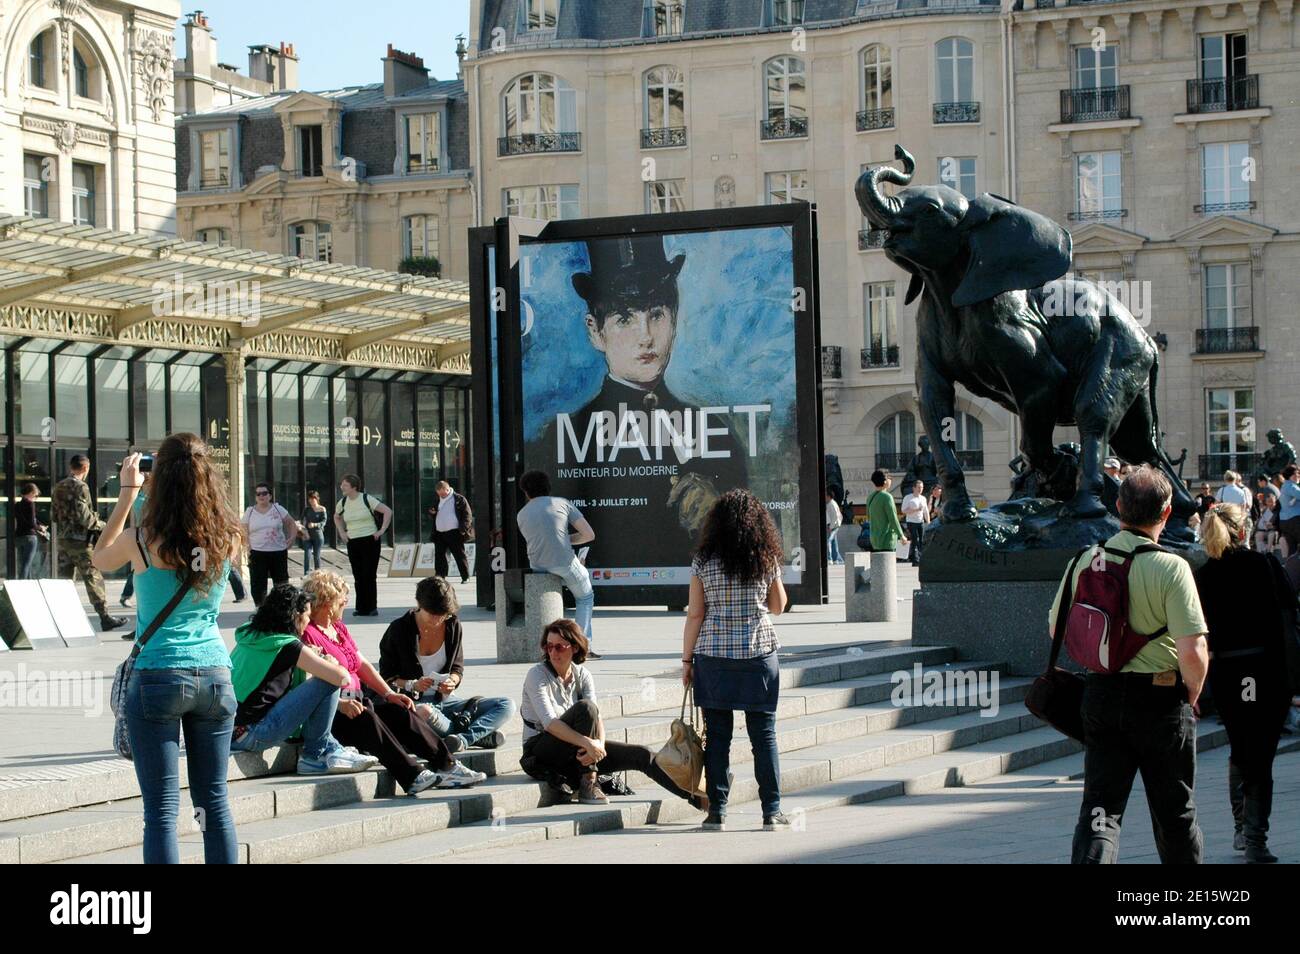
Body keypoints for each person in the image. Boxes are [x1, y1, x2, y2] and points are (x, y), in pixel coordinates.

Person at [527, 234, 749, 570]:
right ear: (595, 331)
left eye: (657, 314)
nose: (645, 336)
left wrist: (716, 509)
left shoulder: (715, 433)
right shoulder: (561, 437)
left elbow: (748, 536)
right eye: (625, 319)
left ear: (674, 320)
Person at [88, 436, 242, 863]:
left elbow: (100, 558)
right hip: (214, 674)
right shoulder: (226, 535)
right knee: (213, 804)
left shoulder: (143, 538)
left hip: (157, 674)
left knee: (160, 811)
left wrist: (128, 491)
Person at [1049, 466, 1209, 864]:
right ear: (1167, 512)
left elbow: (1057, 629)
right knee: (1175, 813)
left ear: (1118, 506)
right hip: (1161, 702)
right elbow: (1193, 650)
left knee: (1100, 813)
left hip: (1101, 697)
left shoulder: (1084, 561)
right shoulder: (1171, 567)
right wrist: (1191, 694)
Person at [300, 570, 484, 793]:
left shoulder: (338, 628)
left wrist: (389, 694)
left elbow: (363, 665)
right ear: (328, 602)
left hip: (360, 701)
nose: (346, 603)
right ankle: (412, 775)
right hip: (335, 713)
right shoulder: (307, 634)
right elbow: (306, 683)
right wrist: (340, 703)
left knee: (400, 709)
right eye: (342, 599)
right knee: (366, 718)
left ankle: (447, 766)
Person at [682, 488, 789, 831]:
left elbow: (695, 615)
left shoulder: (703, 561)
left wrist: (686, 662)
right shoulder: (765, 559)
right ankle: (771, 811)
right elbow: (778, 606)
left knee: (717, 737)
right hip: (758, 653)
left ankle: (717, 811)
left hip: (713, 656)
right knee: (764, 735)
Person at [519, 618, 706, 810]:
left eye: (559, 647)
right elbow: (550, 723)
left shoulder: (582, 675)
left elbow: (597, 717)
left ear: (575, 648)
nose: (552, 652)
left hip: (578, 748)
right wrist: (588, 743)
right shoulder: (537, 675)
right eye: (548, 646)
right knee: (585, 708)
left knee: (642, 754)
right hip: (541, 751)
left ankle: (698, 798)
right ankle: (589, 781)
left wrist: (598, 744)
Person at [1194, 504, 1293, 863]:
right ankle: (1255, 839)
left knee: (1240, 747)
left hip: (1228, 673)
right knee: (1261, 757)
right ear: (1243, 530)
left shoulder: (1204, 574)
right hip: (1264, 670)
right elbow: (1288, 618)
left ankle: (1242, 828)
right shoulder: (1264, 565)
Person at [228, 582, 380, 774]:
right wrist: (328, 661)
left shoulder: (251, 634)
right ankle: (314, 756)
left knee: (324, 677)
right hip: (256, 733)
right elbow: (341, 678)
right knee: (330, 677)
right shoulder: (288, 646)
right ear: (296, 615)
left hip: (234, 731)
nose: (309, 621)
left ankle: (332, 748)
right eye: (308, 615)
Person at [378, 575, 516, 753]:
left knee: (506, 704)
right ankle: (474, 735)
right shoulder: (398, 629)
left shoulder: (452, 625)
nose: (437, 620)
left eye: (443, 615)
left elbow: (457, 668)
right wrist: (413, 685)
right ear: (420, 605)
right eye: (433, 614)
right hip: (415, 704)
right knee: (424, 711)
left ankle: (462, 739)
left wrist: (453, 680)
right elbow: (386, 678)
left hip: (448, 702)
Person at [516, 469, 600, 657]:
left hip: (538, 565)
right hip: (564, 562)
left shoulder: (521, 514)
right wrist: (566, 539)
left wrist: (558, 539)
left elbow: (541, 538)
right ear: (548, 487)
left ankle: (552, 646)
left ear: (526, 492)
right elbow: (589, 534)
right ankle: (582, 645)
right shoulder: (562, 503)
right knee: (585, 597)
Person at [52, 454, 127, 631]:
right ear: (85, 468)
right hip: (81, 542)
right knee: (92, 577)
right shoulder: (80, 487)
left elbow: (54, 515)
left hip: (63, 540)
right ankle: (104, 617)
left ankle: (63, 618)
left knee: (65, 580)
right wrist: (103, 525)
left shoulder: (58, 486)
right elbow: (84, 516)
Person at [334, 474, 392, 617]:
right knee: (358, 575)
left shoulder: (366, 499)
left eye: (345, 485)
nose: (342, 487)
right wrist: (342, 532)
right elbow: (337, 516)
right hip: (353, 541)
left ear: (354, 487)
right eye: (342, 485)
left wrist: (382, 530)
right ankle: (360, 608)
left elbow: (387, 511)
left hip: (370, 539)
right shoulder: (342, 502)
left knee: (369, 574)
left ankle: (371, 607)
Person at [241, 482, 296, 606]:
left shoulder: (278, 509)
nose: (261, 496)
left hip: (278, 551)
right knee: (258, 584)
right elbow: (243, 530)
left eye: (264, 493)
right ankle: (260, 609)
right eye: (258, 494)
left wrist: (291, 539)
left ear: (270, 496)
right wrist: (247, 546)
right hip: (257, 552)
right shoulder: (250, 512)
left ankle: (283, 608)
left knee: (281, 583)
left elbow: (291, 523)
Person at [427, 480, 472, 584]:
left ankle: (465, 576)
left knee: (459, 555)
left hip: (454, 532)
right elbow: (431, 511)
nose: (441, 495)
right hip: (439, 533)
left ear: (448, 489)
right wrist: (432, 512)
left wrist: (463, 529)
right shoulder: (437, 500)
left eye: (443, 493)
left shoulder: (459, 499)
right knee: (440, 556)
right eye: (439, 494)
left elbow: (467, 515)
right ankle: (440, 577)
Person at [865, 469, 905, 558]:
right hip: (887, 539)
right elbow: (893, 518)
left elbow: (868, 516)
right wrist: (901, 535)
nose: (891, 480)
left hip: (875, 539)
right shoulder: (887, 497)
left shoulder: (870, 497)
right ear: (885, 481)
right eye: (889, 478)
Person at [14, 482, 46, 580]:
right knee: (27, 563)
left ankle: (27, 583)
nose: (35, 498)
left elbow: (28, 520)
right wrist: (41, 528)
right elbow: (32, 523)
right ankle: (22, 584)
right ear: (31, 493)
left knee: (23, 563)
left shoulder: (17, 505)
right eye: (35, 495)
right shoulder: (30, 504)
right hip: (30, 537)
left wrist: (38, 523)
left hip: (19, 536)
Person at [900, 479, 930, 567]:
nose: (920, 489)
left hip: (920, 522)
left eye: (922, 487)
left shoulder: (923, 498)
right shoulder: (908, 497)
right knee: (915, 539)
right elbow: (903, 510)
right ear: (914, 488)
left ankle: (920, 558)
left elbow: (926, 511)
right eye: (919, 487)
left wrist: (928, 522)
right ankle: (915, 559)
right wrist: (915, 509)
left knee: (921, 540)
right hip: (911, 522)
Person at [300, 490, 327, 574]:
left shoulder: (322, 509)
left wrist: (315, 524)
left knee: (317, 556)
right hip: (307, 535)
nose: (311, 501)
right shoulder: (307, 509)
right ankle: (306, 575)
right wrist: (303, 529)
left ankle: (317, 575)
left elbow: (324, 522)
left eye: (313, 499)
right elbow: (302, 520)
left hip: (318, 536)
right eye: (310, 499)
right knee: (307, 555)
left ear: (317, 498)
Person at [1279, 464, 1300, 559]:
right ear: (1290, 475)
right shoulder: (1291, 486)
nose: (1298, 476)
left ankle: (1291, 570)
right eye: (1296, 474)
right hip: (1294, 520)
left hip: (1285, 521)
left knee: (1292, 548)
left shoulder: (1285, 486)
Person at [824, 489, 843, 565]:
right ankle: (836, 559)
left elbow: (835, 517)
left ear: (829, 496)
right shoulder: (830, 504)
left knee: (829, 541)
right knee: (834, 542)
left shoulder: (832, 504)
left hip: (834, 526)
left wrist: (830, 527)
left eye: (825, 495)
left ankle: (829, 558)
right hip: (834, 525)